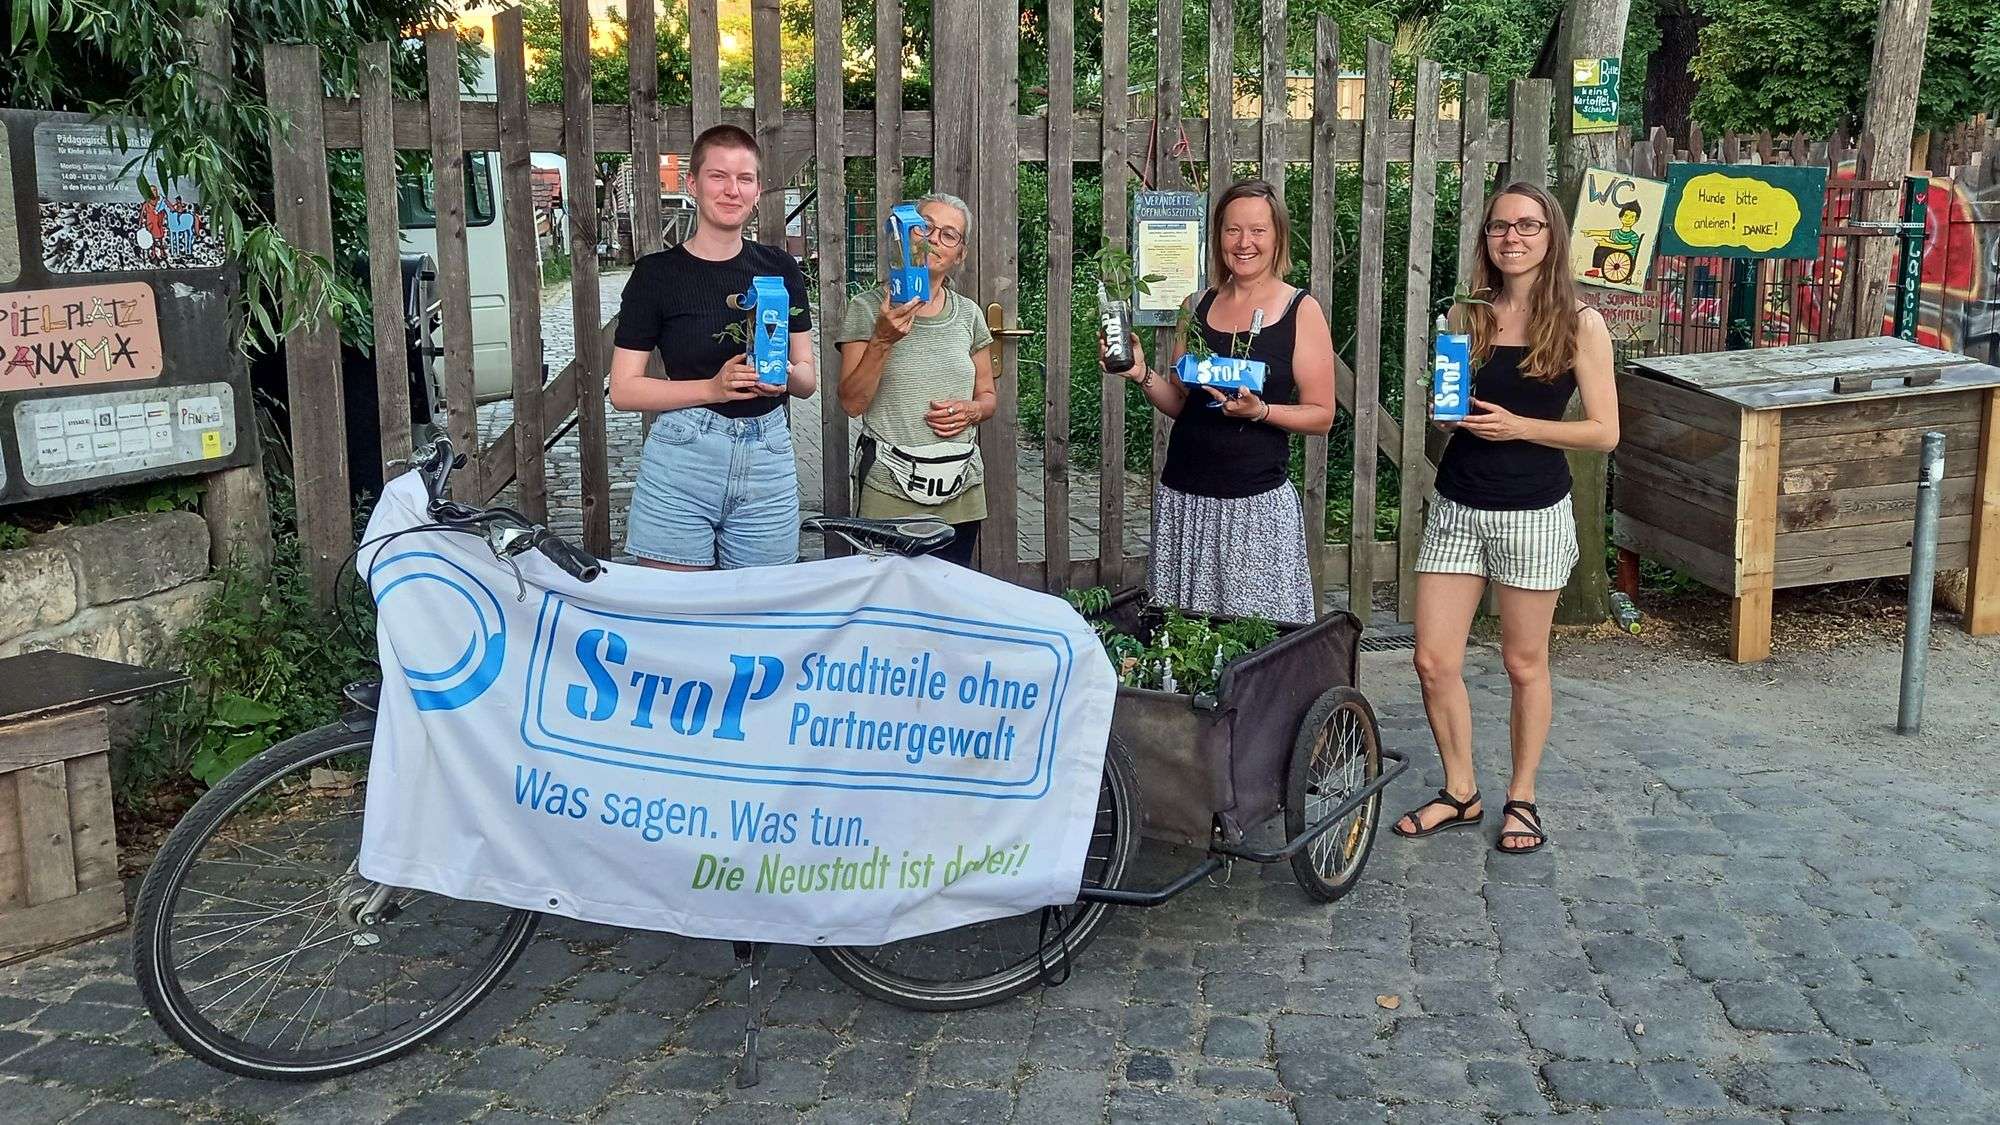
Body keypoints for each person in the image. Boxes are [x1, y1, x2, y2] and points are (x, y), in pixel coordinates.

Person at [1391, 181, 1619, 855]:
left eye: (1527, 226)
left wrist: (1521, 424)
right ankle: (1461, 790)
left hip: (1533, 512)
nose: (1511, 237)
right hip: (1460, 504)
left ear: (1551, 239)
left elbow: (1606, 431)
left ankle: (1522, 797)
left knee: (1524, 664)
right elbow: (1449, 404)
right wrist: (1446, 408)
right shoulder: (1467, 317)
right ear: (1486, 239)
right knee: (1432, 660)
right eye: (1499, 227)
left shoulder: (1581, 322)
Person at [1100, 178, 1335, 624]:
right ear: (1218, 235)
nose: (1244, 243)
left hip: (1254, 509)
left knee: (1254, 644)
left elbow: (1321, 416)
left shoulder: (1299, 310)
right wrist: (1140, 373)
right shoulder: (1196, 305)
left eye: (1258, 231)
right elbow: (1181, 401)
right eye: (1232, 230)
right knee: (1185, 638)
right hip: (1185, 502)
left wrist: (1261, 411)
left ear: (1277, 237)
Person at [608, 124, 816, 570]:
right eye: (718, 176)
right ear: (693, 185)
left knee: (763, 616)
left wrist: (780, 377)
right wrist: (713, 388)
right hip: (683, 455)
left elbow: (807, 379)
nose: (731, 190)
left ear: (758, 190)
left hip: (768, 457)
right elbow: (624, 390)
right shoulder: (656, 274)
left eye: (744, 179)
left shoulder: (780, 267)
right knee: (675, 616)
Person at [835, 193, 996, 568]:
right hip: (889, 487)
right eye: (925, 227)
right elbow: (852, 402)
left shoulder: (969, 315)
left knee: (947, 596)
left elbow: (988, 397)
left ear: (961, 254)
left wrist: (972, 410)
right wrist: (882, 341)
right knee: (887, 604)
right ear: (904, 235)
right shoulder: (867, 308)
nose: (934, 239)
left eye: (949, 234)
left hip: (960, 486)